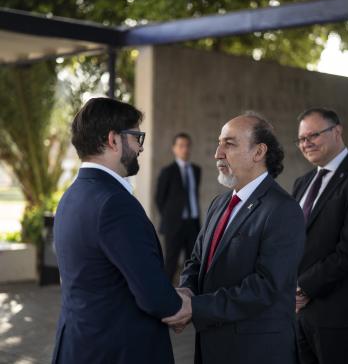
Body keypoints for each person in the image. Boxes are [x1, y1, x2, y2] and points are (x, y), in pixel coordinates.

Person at [51, 97, 188, 364]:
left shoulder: (72, 195)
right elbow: (154, 297)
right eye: (137, 136)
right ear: (114, 140)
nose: (140, 147)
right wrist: (181, 305)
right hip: (117, 350)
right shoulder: (114, 203)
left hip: (79, 345)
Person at [163, 113, 305, 364]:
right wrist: (187, 291)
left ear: (259, 152)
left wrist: (195, 308)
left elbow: (265, 287)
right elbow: (197, 260)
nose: (218, 153)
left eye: (229, 144)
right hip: (212, 346)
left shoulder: (283, 209)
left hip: (256, 351)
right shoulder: (220, 203)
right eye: (219, 143)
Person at [293, 108, 348, 364]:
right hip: (297, 312)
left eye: (313, 135)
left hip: (337, 312)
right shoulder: (302, 182)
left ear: (337, 131)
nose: (306, 143)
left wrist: (303, 287)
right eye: (301, 139)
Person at [155, 133, 201, 282]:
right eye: (181, 146)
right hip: (174, 224)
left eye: (187, 145)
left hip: (193, 223)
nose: (185, 149)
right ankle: (165, 297)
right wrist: (170, 217)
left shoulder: (196, 170)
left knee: (193, 262)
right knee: (171, 262)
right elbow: (159, 199)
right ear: (174, 149)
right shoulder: (167, 171)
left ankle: (189, 294)